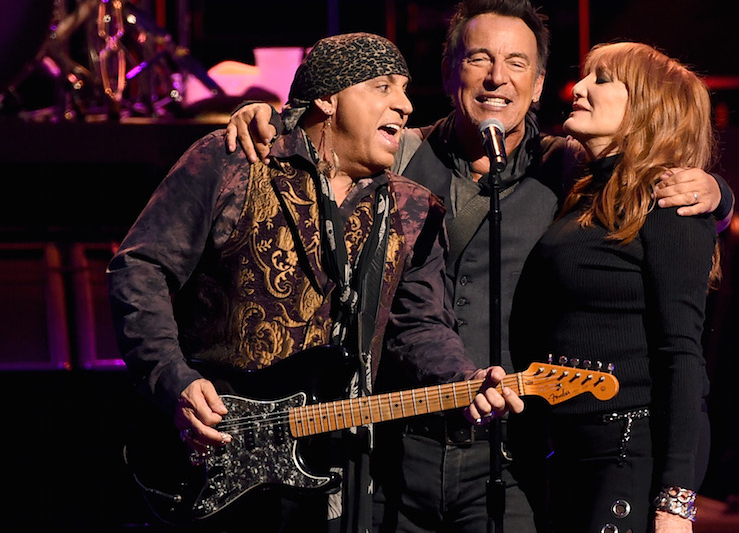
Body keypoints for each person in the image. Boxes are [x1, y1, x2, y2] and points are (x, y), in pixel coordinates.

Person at [225, 0, 733, 533]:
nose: (498, 77)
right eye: (479, 59)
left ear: (538, 86)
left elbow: (645, 193)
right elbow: (322, 153)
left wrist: (716, 194)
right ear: (448, 74)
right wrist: (271, 119)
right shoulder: (397, 159)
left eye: (518, 63)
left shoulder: (565, 169)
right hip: (396, 454)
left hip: (513, 458)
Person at [107, 32, 521, 533]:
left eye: (407, 91)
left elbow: (420, 326)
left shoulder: (412, 210)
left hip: (329, 467)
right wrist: (174, 379)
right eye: (383, 87)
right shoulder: (236, 159)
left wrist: (461, 378)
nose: (406, 104)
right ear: (327, 98)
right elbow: (141, 268)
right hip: (206, 446)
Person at [509, 41, 721, 533]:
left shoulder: (668, 201)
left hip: (627, 451)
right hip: (570, 452)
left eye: (601, 80)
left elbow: (682, 355)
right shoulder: (587, 192)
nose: (578, 88)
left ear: (647, 105)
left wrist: (676, 502)